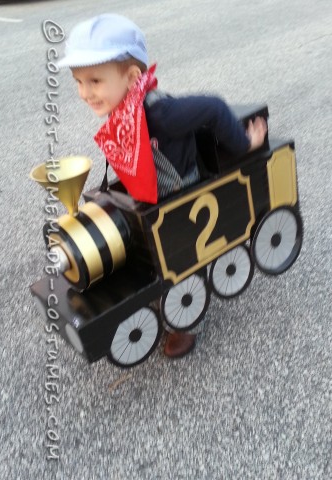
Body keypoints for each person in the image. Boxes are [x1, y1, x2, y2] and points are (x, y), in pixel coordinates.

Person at [58, 13, 267, 358]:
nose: (84, 93)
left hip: (178, 199)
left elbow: (214, 107)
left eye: (94, 81)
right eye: (78, 82)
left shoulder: (160, 113)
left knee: (180, 264)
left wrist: (244, 145)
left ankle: (186, 322)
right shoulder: (123, 110)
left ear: (132, 76)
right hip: (150, 196)